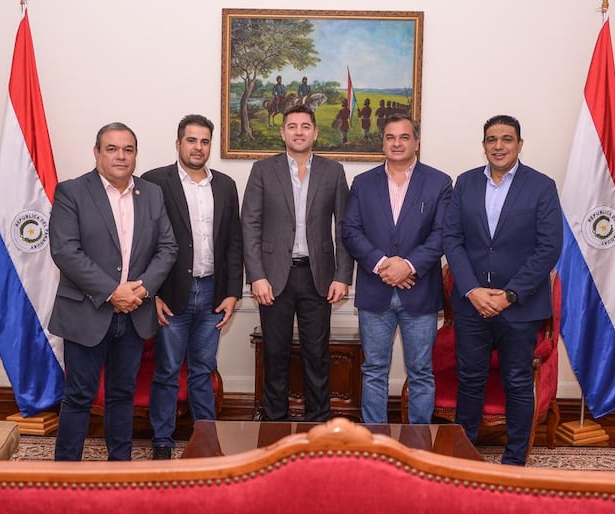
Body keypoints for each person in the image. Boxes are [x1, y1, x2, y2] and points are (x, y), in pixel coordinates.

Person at [48, 122, 178, 461]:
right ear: (97, 153)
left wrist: (142, 289)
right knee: (79, 395)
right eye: (112, 149)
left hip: (135, 311)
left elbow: (167, 248)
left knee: (122, 394)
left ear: (136, 154)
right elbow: (65, 251)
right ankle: (64, 474)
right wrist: (112, 291)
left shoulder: (151, 193)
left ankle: (119, 469)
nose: (121, 156)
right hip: (87, 312)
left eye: (128, 149)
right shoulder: (71, 192)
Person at [442, 114, 563, 466]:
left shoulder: (541, 186)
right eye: (492, 139)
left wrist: (509, 295)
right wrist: (472, 291)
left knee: (517, 381)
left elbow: (549, 247)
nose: (499, 146)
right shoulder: (464, 184)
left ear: (519, 144)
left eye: (507, 139)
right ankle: (464, 460)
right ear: (483, 145)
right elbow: (453, 239)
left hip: (519, 307)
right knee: (470, 379)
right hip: (471, 306)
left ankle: (514, 463)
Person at [140, 114, 243, 460]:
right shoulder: (155, 182)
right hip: (171, 295)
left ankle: (206, 440)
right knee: (168, 371)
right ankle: (163, 442)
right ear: (178, 143)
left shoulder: (226, 185)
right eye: (191, 140)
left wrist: (232, 293)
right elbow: (142, 242)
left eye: (204, 141)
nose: (198, 147)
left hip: (213, 293)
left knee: (203, 370)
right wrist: (150, 293)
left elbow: (233, 242)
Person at [241, 104, 353, 422]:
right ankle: (273, 425)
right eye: (292, 126)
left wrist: (343, 275)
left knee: (316, 356)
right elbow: (249, 225)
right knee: (274, 355)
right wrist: (256, 276)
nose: (299, 131)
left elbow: (344, 227)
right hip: (274, 279)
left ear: (315, 133)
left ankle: (319, 424)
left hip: (318, 278)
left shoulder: (333, 172)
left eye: (305, 126)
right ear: (283, 132)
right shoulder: (263, 170)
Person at [342, 113, 452, 424]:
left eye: (404, 137)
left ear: (416, 142)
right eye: (390, 137)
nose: (397, 143)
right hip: (375, 292)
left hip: (419, 292)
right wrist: (382, 265)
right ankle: (375, 443)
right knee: (374, 370)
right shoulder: (363, 184)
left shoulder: (439, 182)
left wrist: (408, 265)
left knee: (421, 372)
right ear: (383, 143)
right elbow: (351, 231)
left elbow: (443, 233)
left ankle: (418, 442)